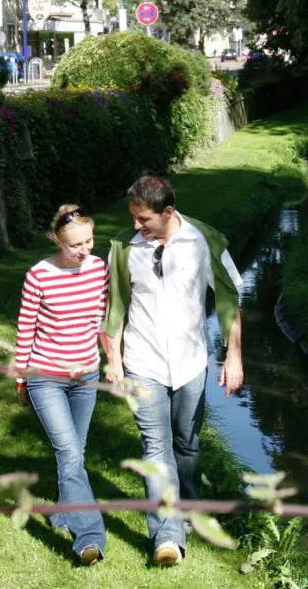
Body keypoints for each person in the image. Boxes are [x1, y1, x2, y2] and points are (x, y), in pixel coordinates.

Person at [101, 175, 244, 567]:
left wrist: (234, 357)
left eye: (143, 218)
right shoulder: (124, 250)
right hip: (143, 363)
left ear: (167, 212)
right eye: (132, 217)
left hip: (191, 362)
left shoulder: (206, 241)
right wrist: (114, 362)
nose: (136, 225)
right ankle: (167, 536)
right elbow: (112, 312)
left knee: (187, 445)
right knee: (156, 447)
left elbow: (230, 299)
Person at [14, 204, 109, 565]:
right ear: (57, 239)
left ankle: (61, 512)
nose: (84, 250)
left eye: (89, 241)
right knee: (69, 454)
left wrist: (112, 359)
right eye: (75, 245)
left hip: (86, 376)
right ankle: (89, 537)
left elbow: (102, 321)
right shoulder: (39, 275)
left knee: (75, 454)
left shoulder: (99, 269)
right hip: (46, 377)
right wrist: (21, 377)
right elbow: (25, 330)